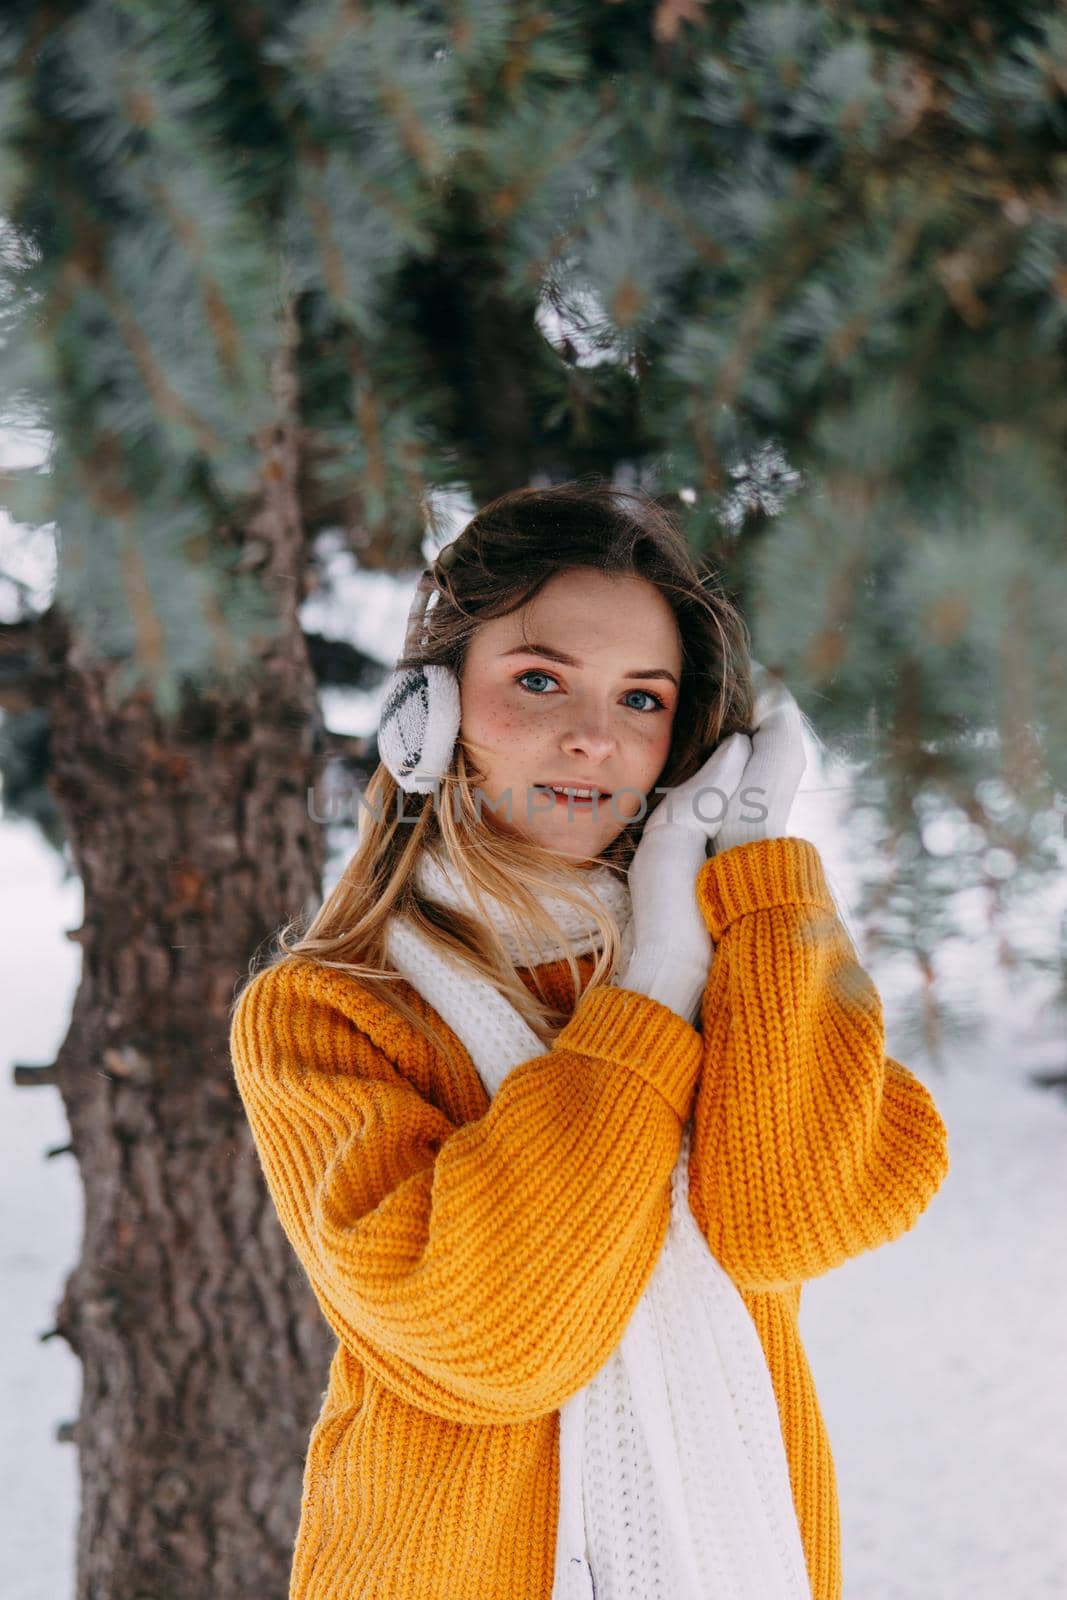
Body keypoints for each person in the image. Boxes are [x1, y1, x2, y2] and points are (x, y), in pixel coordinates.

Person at [229, 479, 950, 1600]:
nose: (591, 738)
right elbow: (495, 1335)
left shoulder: (746, 963)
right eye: (536, 679)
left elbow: (791, 1218)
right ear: (429, 709)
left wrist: (752, 877)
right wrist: (653, 988)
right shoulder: (327, 1013)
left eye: (642, 699)